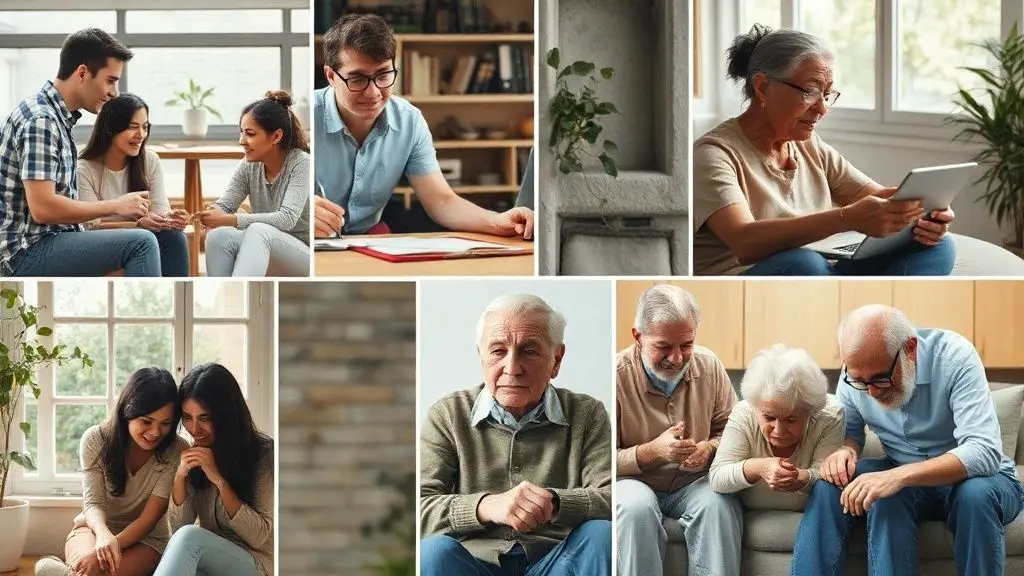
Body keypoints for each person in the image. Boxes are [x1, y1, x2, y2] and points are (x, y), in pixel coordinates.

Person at [692, 25, 956, 276]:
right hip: (750, 281)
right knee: (804, 264)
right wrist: (845, 218)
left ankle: (863, 310)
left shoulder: (809, 145)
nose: (823, 108)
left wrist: (925, 213)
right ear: (762, 88)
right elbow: (744, 241)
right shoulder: (713, 154)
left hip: (818, 271)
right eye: (810, 91)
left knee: (937, 245)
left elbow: (878, 199)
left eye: (827, 94)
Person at [791, 305, 1024, 576]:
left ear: (910, 349)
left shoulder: (955, 357)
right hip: (902, 476)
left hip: (977, 480)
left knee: (975, 496)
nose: (872, 391)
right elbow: (852, 433)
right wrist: (846, 451)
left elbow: (984, 451)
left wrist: (899, 476)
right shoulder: (853, 378)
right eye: (860, 381)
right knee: (832, 486)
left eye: (880, 378)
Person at [420, 294, 612, 576]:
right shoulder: (448, 414)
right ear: (481, 357)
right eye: (498, 351)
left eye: (529, 351)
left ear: (556, 359)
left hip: (558, 561)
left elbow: (610, 497)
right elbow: (419, 507)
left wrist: (555, 502)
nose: (512, 368)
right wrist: (486, 506)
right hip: (473, 564)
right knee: (431, 554)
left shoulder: (588, 414)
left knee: (601, 535)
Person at [313, 14, 534, 240]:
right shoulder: (301, 118)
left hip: (366, 241)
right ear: (330, 75)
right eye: (357, 79)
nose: (374, 92)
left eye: (383, 75)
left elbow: (441, 201)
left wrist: (498, 221)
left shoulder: (410, 121)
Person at [0, 27, 160, 277]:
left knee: (168, 240)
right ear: (83, 73)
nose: (114, 93)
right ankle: (145, 318)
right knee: (142, 243)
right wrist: (115, 206)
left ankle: (174, 316)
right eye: (110, 80)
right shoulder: (41, 121)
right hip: (24, 254)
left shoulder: (55, 118)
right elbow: (44, 208)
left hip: (49, 242)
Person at [616, 284, 742, 576]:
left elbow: (735, 432)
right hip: (633, 482)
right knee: (634, 509)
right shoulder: (617, 376)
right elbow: (600, 462)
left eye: (686, 345)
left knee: (719, 505)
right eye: (663, 346)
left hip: (694, 483)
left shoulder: (710, 366)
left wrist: (709, 448)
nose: (676, 358)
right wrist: (653, 452)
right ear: (638, 337)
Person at [35, 367, 186, 576]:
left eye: (165, 424)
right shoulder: (95, 440)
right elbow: (93, 503)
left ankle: (54, 571)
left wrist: (112, 543)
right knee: (87, 571)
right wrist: (104, 537)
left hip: (146, 540)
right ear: (127, 413)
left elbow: (149, 519)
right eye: (146, 421)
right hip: (94, 529)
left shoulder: (176, 450)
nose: (155, 432)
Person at [155, 363, 274, 576]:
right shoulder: (195, 454)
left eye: (204, 418)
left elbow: (258, 536)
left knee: (191, 537)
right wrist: (180, 477)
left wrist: (219, 480)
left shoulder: (264, 454)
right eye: (187, 417)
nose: (194, 429)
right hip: (211, 564)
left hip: (256, 564)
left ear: (226, 415)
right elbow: (178, 528)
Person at [708, 344, 844, 511]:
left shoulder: (830, 416)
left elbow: (830, 481)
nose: (778, 431)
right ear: (755, 406)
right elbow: (717, 478)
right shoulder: (744, 413)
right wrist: (758, 467)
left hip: (813, 514)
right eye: (769, 417)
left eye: (791, 419)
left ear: (811, 411)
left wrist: (803, 478)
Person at [195, 90, 310, 277]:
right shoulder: (249, 165)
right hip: (264, 247)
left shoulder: (301, 162)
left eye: (250, 134)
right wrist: (203, 215)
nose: (242, 141)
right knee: (218, 235)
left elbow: (287, 219)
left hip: (304, 256)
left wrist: (229, 219)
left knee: (258, 231)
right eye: (241, 133)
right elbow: (225, 205)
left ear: (276, 137)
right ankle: (229, 297)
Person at [78, 93, 190, 277]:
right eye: (133, 127)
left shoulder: (150, 161)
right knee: (147, 240)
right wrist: (138, 225)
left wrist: (170, 220)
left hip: (143, 238)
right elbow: (90, 227)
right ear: (111, 128)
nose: (141, 135)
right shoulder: (84, 169)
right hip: (101, 246)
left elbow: (160, 211)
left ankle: (176, 299)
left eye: (145, 127)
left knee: (174, 237)